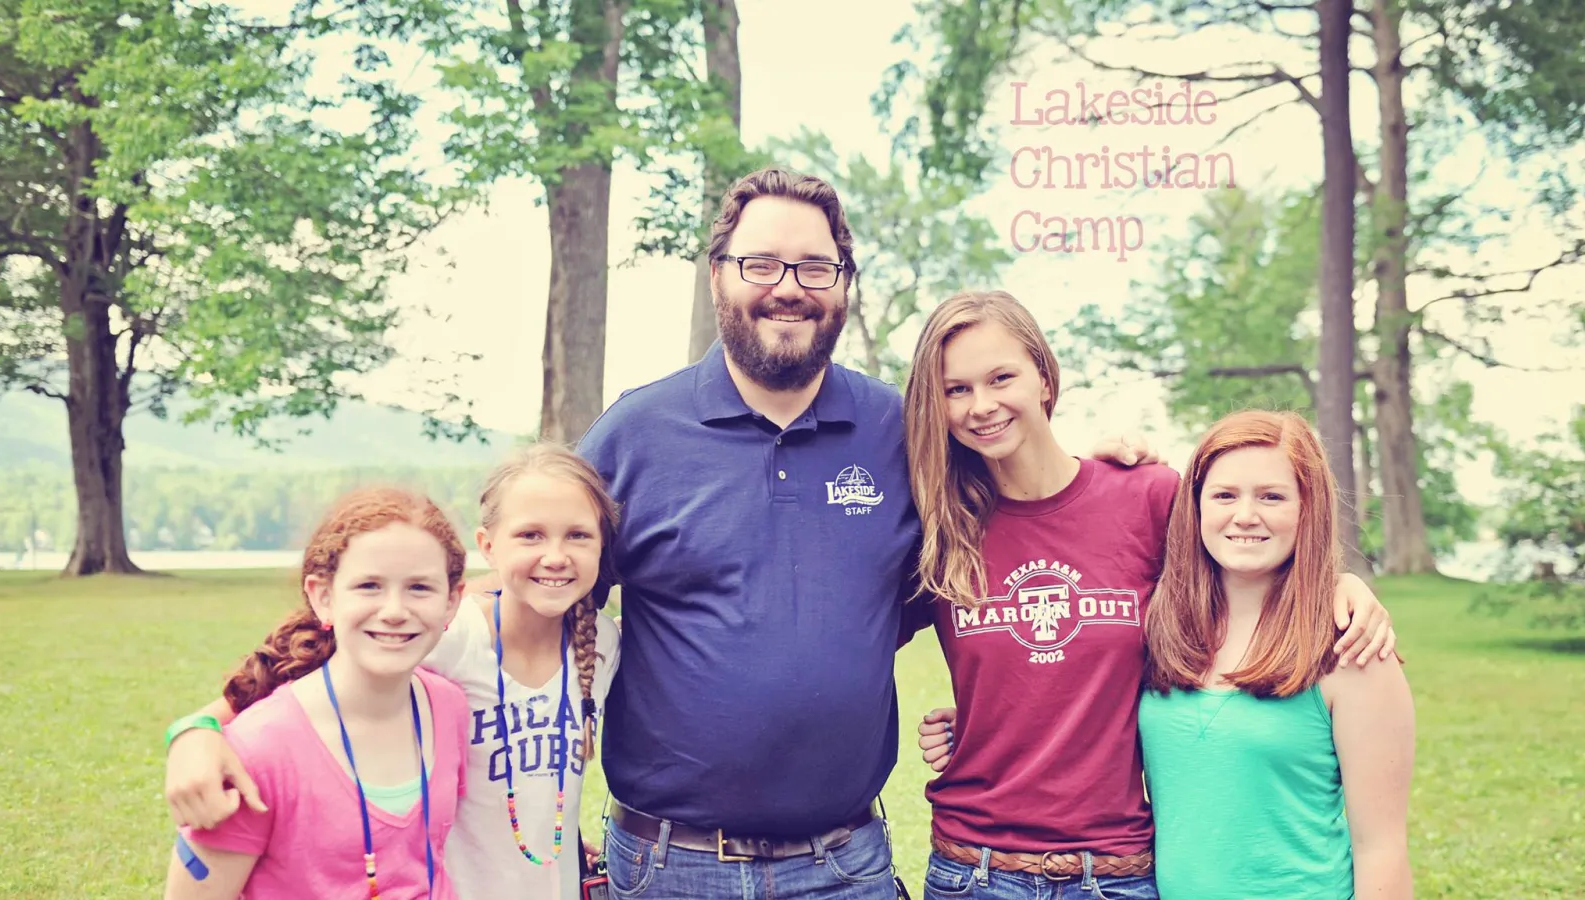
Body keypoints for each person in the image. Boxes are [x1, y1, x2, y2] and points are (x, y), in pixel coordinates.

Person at [572, 167, 1165, 900]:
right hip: (671, 864)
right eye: (761, 263)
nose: (789, 286)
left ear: (844, 283)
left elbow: (1034, 509)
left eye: (816, 267)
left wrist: (1115, 463)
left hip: (843, 863)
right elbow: (546, 599)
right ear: (718, 275)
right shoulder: (635, 435)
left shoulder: (904, 431)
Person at [898, 292, 1397, 900]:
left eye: (1002, 377)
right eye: (956, 389)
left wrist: (1342, 585)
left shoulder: (1147, 495)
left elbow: (1243, 555)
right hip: (972, 869)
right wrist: (974, 722)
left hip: (1114, 872)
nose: (982, 405)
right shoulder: (941, 526)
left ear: (1044, 378)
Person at [164, 444, 622, 900]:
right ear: (488, 545)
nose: (556, 555)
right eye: (531, 535)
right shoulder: (447, 635)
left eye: (578, 536)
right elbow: (296, 676)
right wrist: (193, 733)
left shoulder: (602, 643)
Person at [1136, 409, 1415, 899]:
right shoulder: (1161, 626)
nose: (1245, 516)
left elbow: (1382, 848)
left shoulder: (1351, 646)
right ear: (1195, 506)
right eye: (1224, 495)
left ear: (1308, 509)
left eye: (1272, 496)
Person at [164, 486, 471, 899]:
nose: (396, 611)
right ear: (323, 597)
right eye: (369, 586)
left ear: (452, 601)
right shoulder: (258, 751)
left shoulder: (449, 707)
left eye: (420, 588)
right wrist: (189, 731)